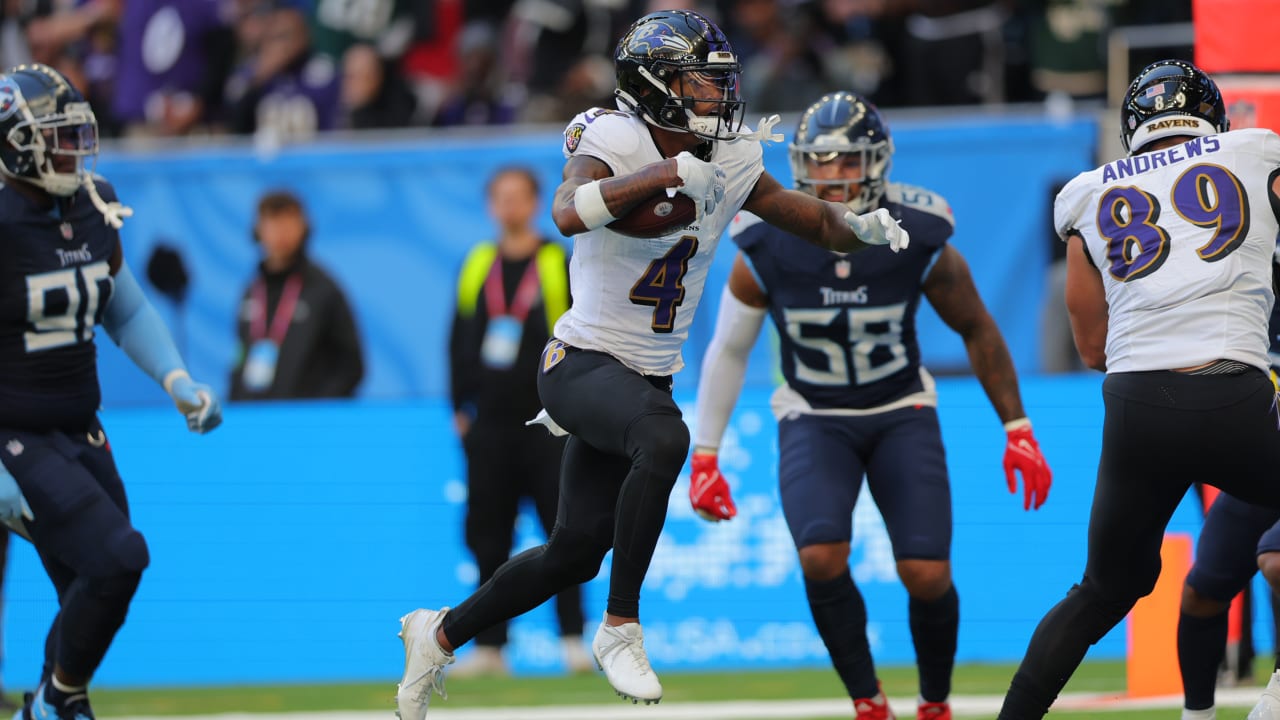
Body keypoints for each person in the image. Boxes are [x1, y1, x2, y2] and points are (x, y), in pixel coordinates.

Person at [394, 9, 910, 720]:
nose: (717, 96)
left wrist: (861, 227)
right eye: (701, 81)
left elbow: (807, 216)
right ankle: (620, 627)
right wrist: (670, 172)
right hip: (579, 361)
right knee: (664, 435)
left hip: (644, 375)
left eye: (719, 81)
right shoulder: (614, 134)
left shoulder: (729, 156)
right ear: (656, 84)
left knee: (574, 551)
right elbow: (569, 211)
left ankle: (439, 632)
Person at [690, 91, 1052, 720]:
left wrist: (1016, 426)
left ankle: (935, 702)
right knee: (821, 553)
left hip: (900, 410)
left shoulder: (915, 231)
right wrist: (705, 452)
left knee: (927, 572)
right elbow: (727, 350)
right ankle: (867, 700)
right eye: (819, 162)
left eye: (845, 160)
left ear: (877, 161)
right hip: (814, 415)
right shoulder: (766, 242)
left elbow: (978, 327)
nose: (831, 176)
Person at [996, 58, 1280, 719]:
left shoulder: (1088, 192)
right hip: (1235, 390)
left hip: (1137, 408)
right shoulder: (1257, 149)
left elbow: (1090, 345)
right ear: (1210, 115)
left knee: (1102, 590)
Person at [0, 63, 222, 720]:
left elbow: (122, 310)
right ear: (16, 141)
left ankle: (52, 702)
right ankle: (58, 700)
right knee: (120, 557)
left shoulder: (93, 199)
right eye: (58, 138)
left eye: (76, 137)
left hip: (79, 425)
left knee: (91, 585)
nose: (73, 151)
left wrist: (175, 378)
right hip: (15, 430)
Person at [447, 165, 591, 677]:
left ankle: (573, 639)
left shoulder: (556, 260)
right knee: (488, 534)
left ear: (534, 203)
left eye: (519, 197)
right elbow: (459, 338)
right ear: (491, 206)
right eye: (500, 198)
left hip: (547, 424)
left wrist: (575, 408)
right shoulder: (477, 264)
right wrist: (459, 409)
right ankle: (490, 647)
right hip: (488, 426)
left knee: (564, 530)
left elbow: (579, 334)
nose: (510, 207)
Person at [1178, 290, 1280, 720]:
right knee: (1202, 590)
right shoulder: (1240, 272)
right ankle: (1198, 714)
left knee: (1276, 558)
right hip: (1262, 457)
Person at [229, 190, 364, 401]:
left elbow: (352, 366)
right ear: (258, 230)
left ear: (304, 227)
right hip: (254, 419)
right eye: (273, 222)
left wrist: (317, 410)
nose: (282, 231)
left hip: (305, 422)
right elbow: (240, 358)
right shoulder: (251, 292)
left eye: (289, 222)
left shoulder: (324, 289)